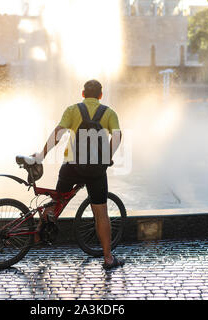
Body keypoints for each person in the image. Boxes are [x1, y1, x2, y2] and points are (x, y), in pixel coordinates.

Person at [33, 80, 124, 270]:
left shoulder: (72, 110)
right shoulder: (109, 113)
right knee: (101, 213)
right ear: (100, 95)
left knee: (56, 203)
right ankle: (108, 258)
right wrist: (107, 157)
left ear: (83, 93)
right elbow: (117, 136)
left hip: (72, 167)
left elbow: (58, 133)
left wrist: (42, 155)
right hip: (96, 170)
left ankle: (37, 234)